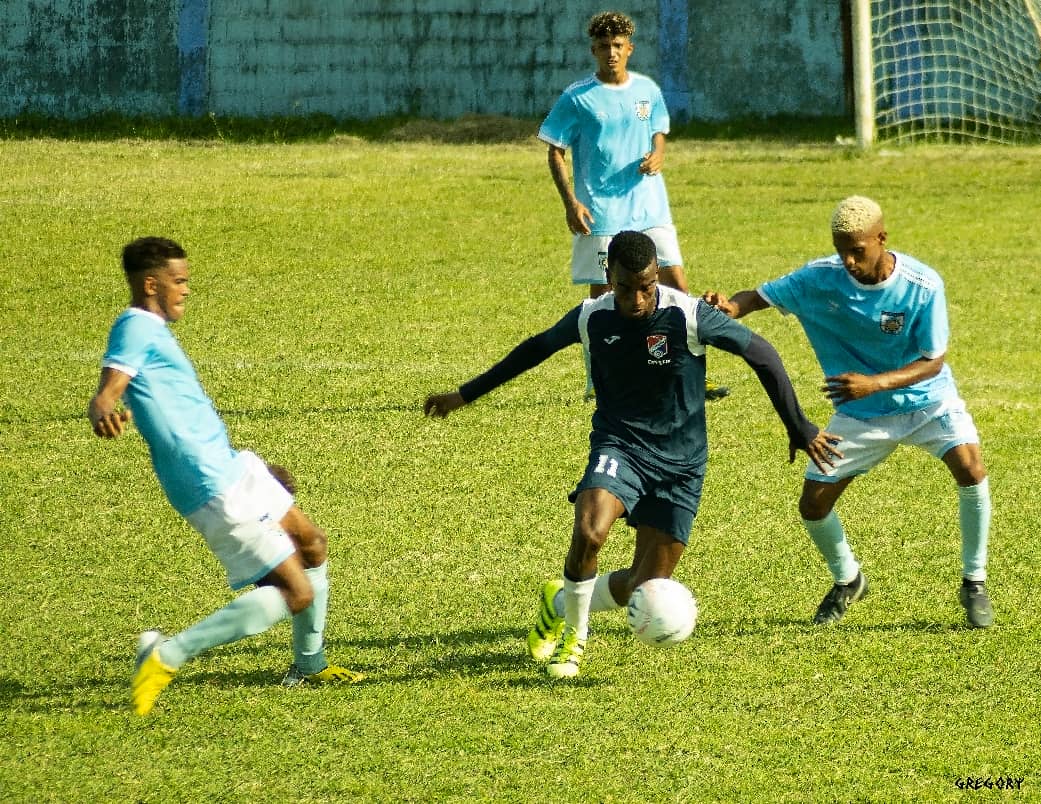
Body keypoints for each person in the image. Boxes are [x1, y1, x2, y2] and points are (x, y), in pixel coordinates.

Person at [425, 231, 839, 679]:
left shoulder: (687, 315)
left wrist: (798, 426)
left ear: (657, 275)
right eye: (625, 288)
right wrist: (462, 395)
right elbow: (534, 350)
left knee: (644, 586)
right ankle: (574, 639)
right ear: (609, 276)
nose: (637, 299)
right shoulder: (592, 316)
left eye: (646, 287)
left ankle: (560, 601)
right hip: (619, 446)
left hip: (681, 465)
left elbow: (763, 354)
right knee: (590, 532)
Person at [88, 236, 363, 716]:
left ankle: (309, 665)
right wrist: (103, 405)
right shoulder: (135, 327)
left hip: (232, 465)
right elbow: (111, 386)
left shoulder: (152, 329)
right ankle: (166, 654)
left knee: (312, 542)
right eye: (179, 281)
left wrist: (256, 471)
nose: (186, 290)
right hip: (209, 483)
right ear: (151, 284)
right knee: (295, 592)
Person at [703, 195, 993, 628]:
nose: (849, 261)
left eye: (857, 250)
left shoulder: (923, 285)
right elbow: (758, 298)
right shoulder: (819, 278)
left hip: (928, 401)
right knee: (813, 505)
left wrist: (874, 383)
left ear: (881, 238)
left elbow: (933, 361)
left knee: (971, 469)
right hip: (861, 414)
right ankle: (848, 580)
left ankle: (974, 582)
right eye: (841, 251)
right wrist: (731, 307)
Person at [537, 10, 728, 402]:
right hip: (601, 212)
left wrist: (658, 153)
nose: (611, 52)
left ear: (630, 49)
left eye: (618, 45)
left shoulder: (647, 90)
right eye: (604, 46)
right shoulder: (577, 97)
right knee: (601, 302)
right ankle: (599, 381)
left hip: (650, 208)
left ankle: (692, 375)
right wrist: (571, 203)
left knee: (678, 290)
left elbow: (658, 131)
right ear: (593, 50)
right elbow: (555, 150)